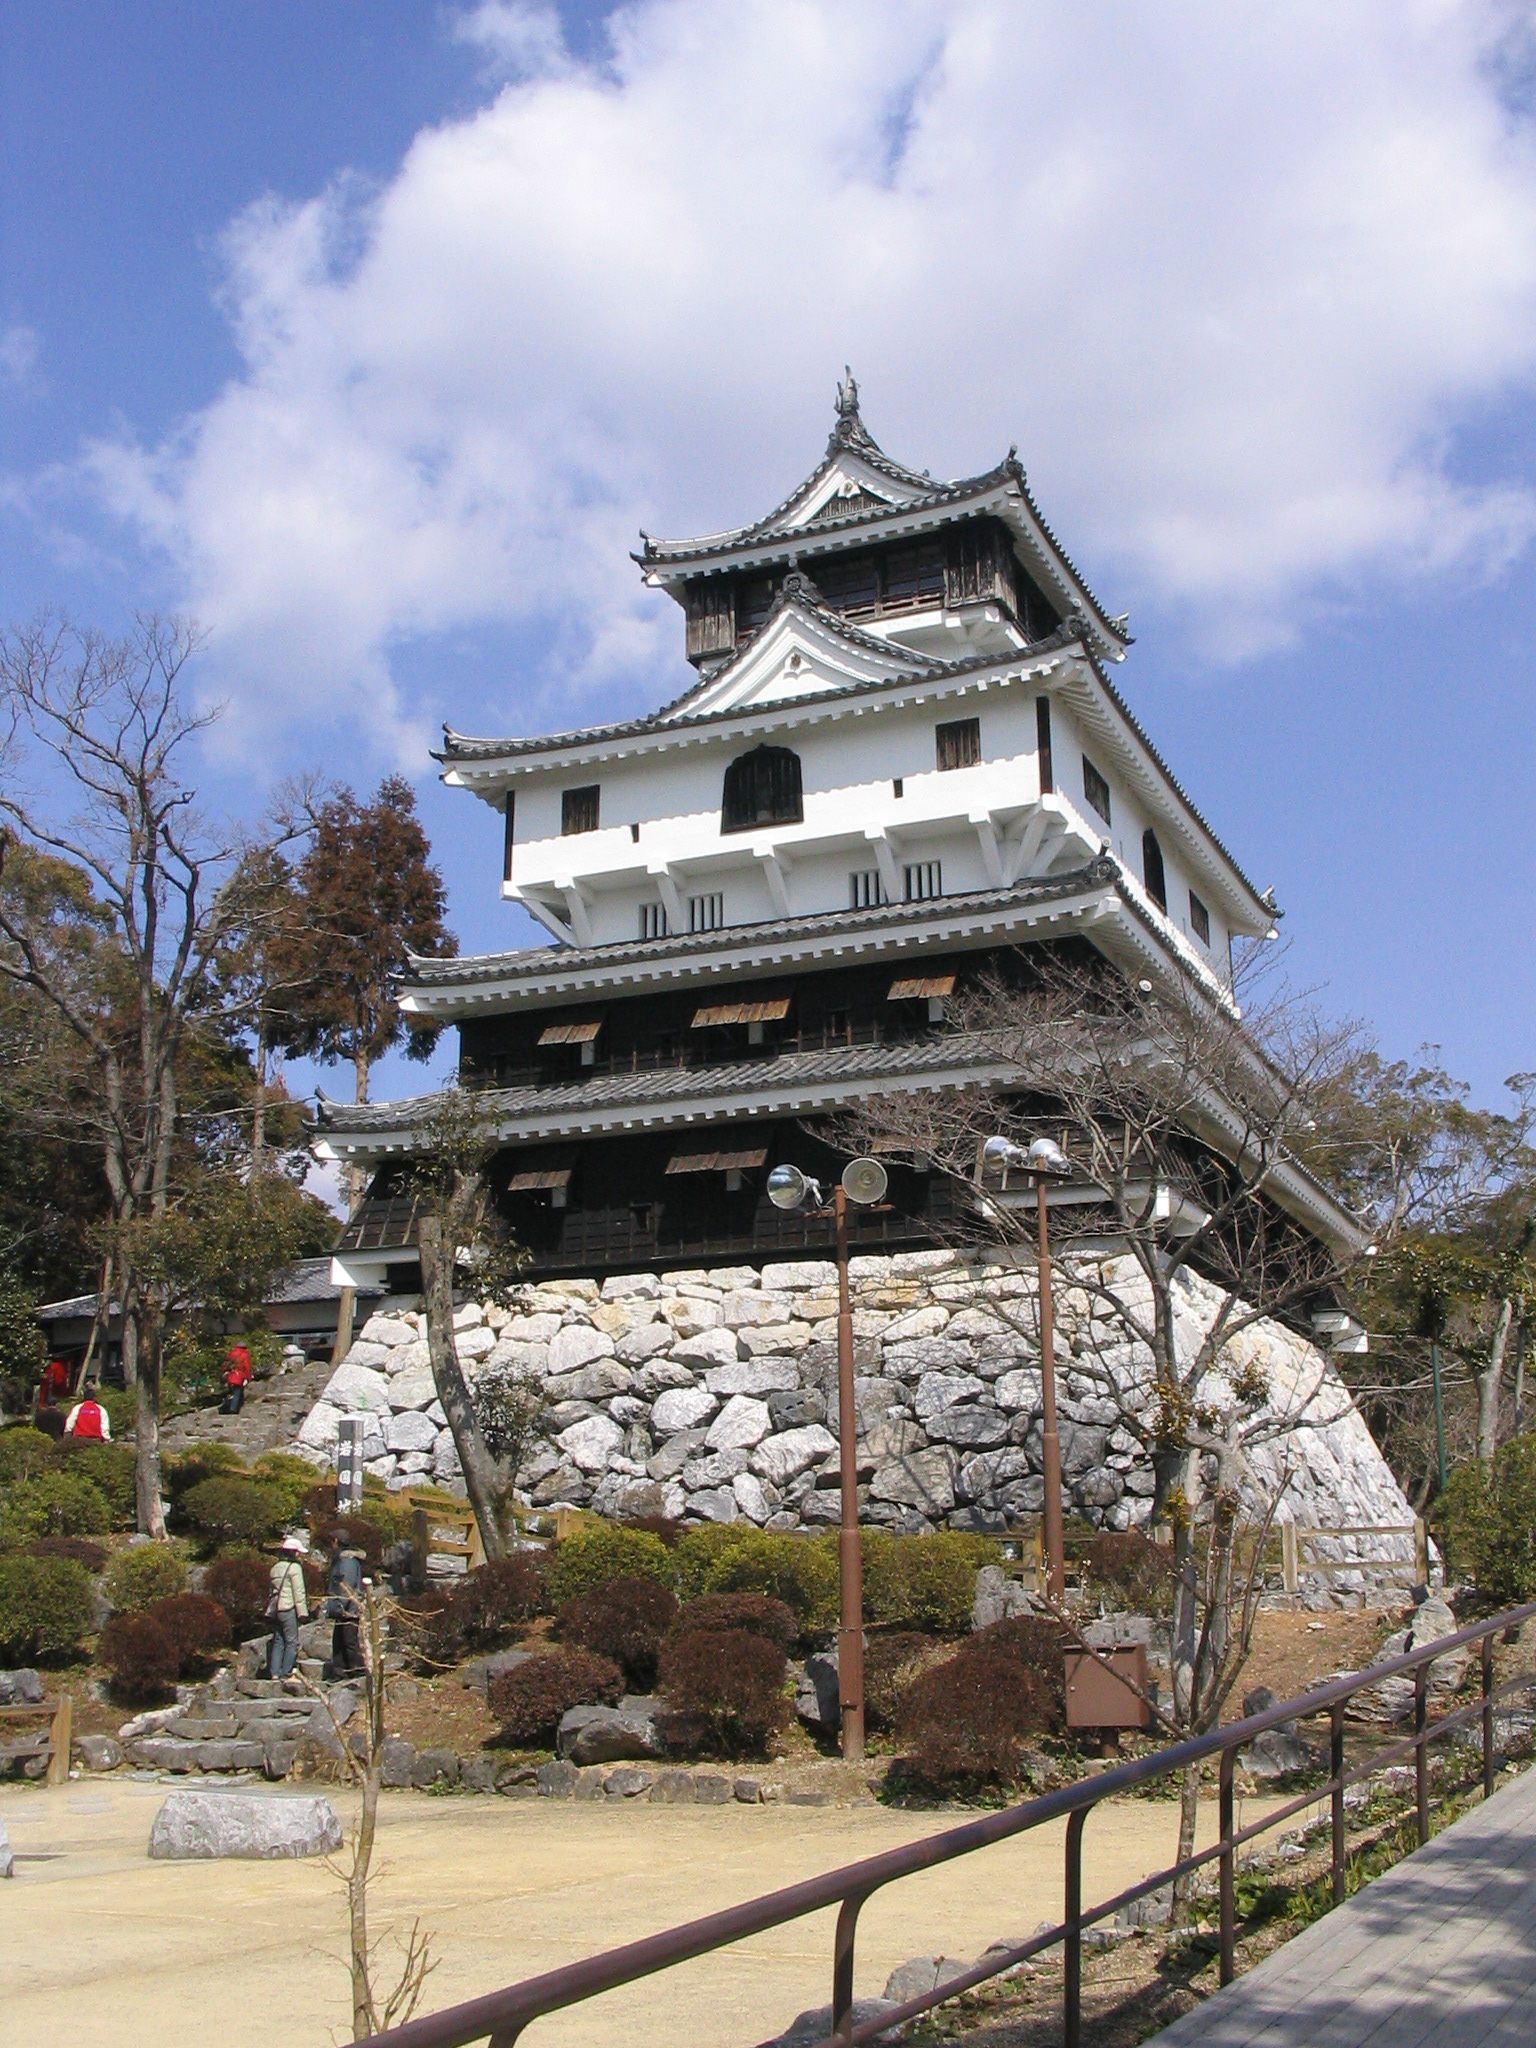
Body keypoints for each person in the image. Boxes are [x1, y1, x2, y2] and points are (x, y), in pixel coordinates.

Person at [266, 1534, 310, 1682]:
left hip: (276, 1609)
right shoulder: (295, 1568)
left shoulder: (275, 1568)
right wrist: (302, 1612)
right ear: (293, 1553)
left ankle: (274, 1672)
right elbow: (298, 1591)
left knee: (278, 1640)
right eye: (297, 1552)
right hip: (288, 1607)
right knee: (292, 1641)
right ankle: (287, 1671)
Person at [326, 1536, 368, 1681]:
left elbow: (346, 1586)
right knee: (339, 1640)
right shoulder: (343, 1560)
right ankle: (340, 1671)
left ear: (336, 1541)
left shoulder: (346, 1561)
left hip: (348, 1609)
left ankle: (357, 1670)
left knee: (349, 1641)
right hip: (344, 1609)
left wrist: (339, 1605)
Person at [220, 1341, 253, 1414]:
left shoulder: (231, 1353)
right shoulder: (244, 1355)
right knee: (237, 1393)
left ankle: (227, 1407)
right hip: (239, 1376)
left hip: (231, 1375)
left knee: (232, 1393)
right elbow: (247, 1367)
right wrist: (248, 1377)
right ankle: (233, 1409)